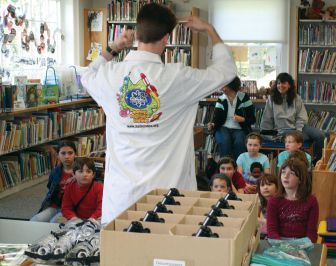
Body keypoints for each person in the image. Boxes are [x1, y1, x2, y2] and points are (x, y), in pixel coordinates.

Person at [81, 3, 236, 224]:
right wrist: (210, 29)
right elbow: (226, 71)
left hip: (122, 199)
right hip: (169, 200)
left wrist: (114, 47)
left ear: (137, 35)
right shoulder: (178, 78)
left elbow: (86, 75)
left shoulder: (110, 75)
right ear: (166, 38)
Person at [259, 72, 325, 163]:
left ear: (289, 85)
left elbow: (301, 116)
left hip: (298, 128)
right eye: (278, 83)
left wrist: (298, 132)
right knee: (266, 135)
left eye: (283, 83)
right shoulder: (271, 99)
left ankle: (316, 161)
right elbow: (267, 119)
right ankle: (289, 142)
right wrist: (271, 136)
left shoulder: (296, 98)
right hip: (281, 130)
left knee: (320, 136)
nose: (280, 85)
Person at [267, 157, 319, 243]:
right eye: (283, 172)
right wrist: (282, 246)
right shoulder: (273, 201)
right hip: (280, 243)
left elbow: (312, 233)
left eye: (291, 173)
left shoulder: (311, 201)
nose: (285, 176)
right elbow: (272, 231)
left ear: (300, 179)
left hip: (302, 244)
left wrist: (301, 247)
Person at [208, 76, 256, 160]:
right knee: (225, 141)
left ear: (231, 86)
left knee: (240, 142)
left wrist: (243, 119)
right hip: (223, 127)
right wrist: (212, 124)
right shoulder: (221, 99)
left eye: (224, 86)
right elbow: (217, 119)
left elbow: (252, 119)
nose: (222, 88)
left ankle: (238, 168)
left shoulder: (244, 98)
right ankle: (225, 168)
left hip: (240, 128)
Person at [30, 141, 77, 222]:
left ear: (75, 154)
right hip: (54, 206)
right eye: (63, 153)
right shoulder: (55, 171)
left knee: (53, 223)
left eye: (70, 153)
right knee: (34, 220)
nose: (67, 156)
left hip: (70, 208)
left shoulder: (80, 172)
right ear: (58, 155)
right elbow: (50, 187)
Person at [257, 173, 278, 238]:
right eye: (262, 185)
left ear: (277, 187)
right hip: (264, 233)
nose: (265, 187)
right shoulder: (259, 201)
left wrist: (263, 221)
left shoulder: (279, 201)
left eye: (269, 184)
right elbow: (254, 217)